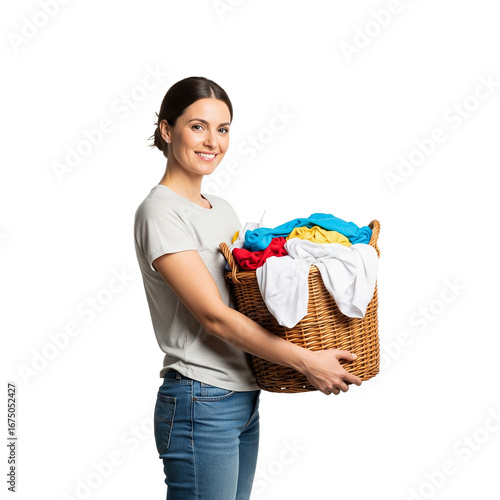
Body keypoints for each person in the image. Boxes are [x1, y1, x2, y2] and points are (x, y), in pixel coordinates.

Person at [133, 76, 362, 500]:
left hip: (242, 397)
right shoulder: (159, 212)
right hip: (199, 399)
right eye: (198, 126)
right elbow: (215, 317)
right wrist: (306, 361)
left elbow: (247, 297)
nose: (213, 141)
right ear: (167, 130)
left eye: (223, 129)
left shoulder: (222, 210)